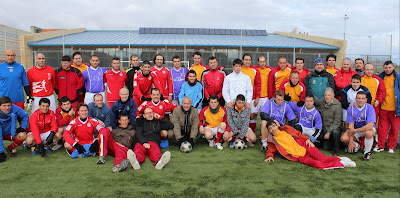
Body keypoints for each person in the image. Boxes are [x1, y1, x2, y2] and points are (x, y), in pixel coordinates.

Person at [264, 120, 356, 169]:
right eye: (270, 128)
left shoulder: (286, 129)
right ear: (269, 131)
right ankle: (341, 164)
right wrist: (269, 156)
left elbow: (299, 134)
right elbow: (270, 150)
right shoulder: (272, 140)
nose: (273, 129)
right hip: (299, 156)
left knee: (321, 158)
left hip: (305, 146)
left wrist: (307, 139)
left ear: (277, 125)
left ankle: (339, 159)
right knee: (318, 164)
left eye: (273, 126)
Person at [341, 91, 376, 161]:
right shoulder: (350, 108)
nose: (361, 100)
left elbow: (370, 126)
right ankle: (356, 145)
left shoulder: (370, 108)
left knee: (369, 133)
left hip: (366, 129)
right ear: (356, 99)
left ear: (366, 100)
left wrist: (355, 130)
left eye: (363, 98)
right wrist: (351, 142)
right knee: (344, 138)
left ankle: (367, 153)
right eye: (359, 98)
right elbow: (351, 127)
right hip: (355, 129)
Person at [375, 61, 400, 153]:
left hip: (395, 109)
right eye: (386, 68)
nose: (388, 69)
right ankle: (380, 145)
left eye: (389, 67)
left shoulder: (397, 77)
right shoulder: (380, 77)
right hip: (384, 108)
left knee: (394, 129)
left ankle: (391, 146)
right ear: (383, 68)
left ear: (393, 67)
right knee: (382, 128)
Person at [315, 88, 343, 156]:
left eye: (329, 95)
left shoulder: (337, 105)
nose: (327, 97)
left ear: (333, 96)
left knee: (335, 132)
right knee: (325, 148)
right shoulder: (322, 103)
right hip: (325, 127)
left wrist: (328, 132)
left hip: (334, 128)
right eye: (326, 95)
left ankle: (336, 150)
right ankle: (330, 142)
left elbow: (337, 122)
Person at [0, 96, 29, 161]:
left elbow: (25, 115)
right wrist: (1, 152)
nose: (7, 108)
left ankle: (10, 148)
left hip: (10, 133)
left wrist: (22, 127)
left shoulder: (14, 108)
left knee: (23, 135)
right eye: (4, 106)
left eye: (8, 105)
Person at [241, 54, 261, 132]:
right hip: (241, 97)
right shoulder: (239, 69)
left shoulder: (255, 70)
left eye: (249, 60)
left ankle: (251, 133)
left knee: (252, 116)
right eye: (246, 60)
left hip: (252, 97)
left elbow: (258, 84)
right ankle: (243, 133)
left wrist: (257, 97)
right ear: (242, 60)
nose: (248, 61)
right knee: (242, 116)